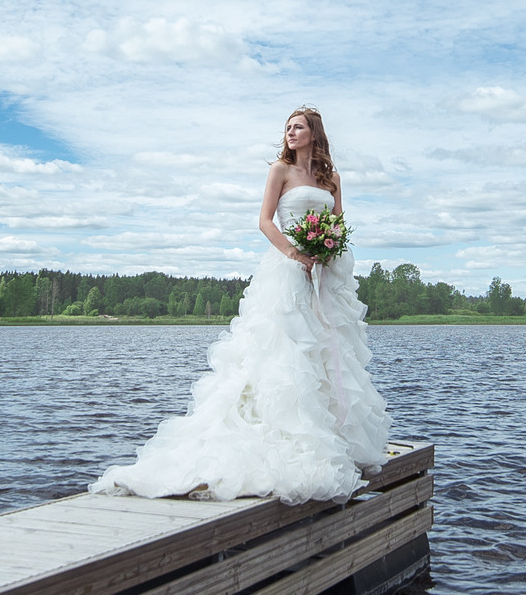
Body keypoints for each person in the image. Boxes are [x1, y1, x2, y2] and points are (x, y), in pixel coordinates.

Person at [89, 106, 391, 502]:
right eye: (287, 128)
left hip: (324, 274)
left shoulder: (331, 178)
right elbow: (265, 221)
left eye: (298, 127)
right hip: (287, 270)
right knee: (285, 351)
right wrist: (295, 255)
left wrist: (326, 250)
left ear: (314, 133)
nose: (290, 133)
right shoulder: (279, 172)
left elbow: (338, 225)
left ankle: (332, 437)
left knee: (326, 354)